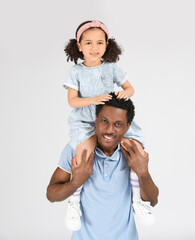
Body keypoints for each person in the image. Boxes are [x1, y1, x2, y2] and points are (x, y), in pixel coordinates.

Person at [63, 20, 150, 231]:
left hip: (108, 119)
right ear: (79, 45)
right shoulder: (76, 72)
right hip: (86, 120)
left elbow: (130, 88)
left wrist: (124, 93)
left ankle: (137, 200)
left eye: (100, 43)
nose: (95, 48)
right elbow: (72, 101)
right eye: (89, 43)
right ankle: (74, 203)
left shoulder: (111, 68)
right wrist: (93, 99)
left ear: (107, 45)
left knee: (135, 150)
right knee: (83, 154)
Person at [46, 93, 159, 240]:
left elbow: (152, 201)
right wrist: (75, 183)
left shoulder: (132, 154)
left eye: (118, 124)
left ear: (127, 127)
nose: (109, 130)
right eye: (104, 121)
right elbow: (51, 195)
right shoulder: (77, 151)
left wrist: (143, 173)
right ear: (96, 120)